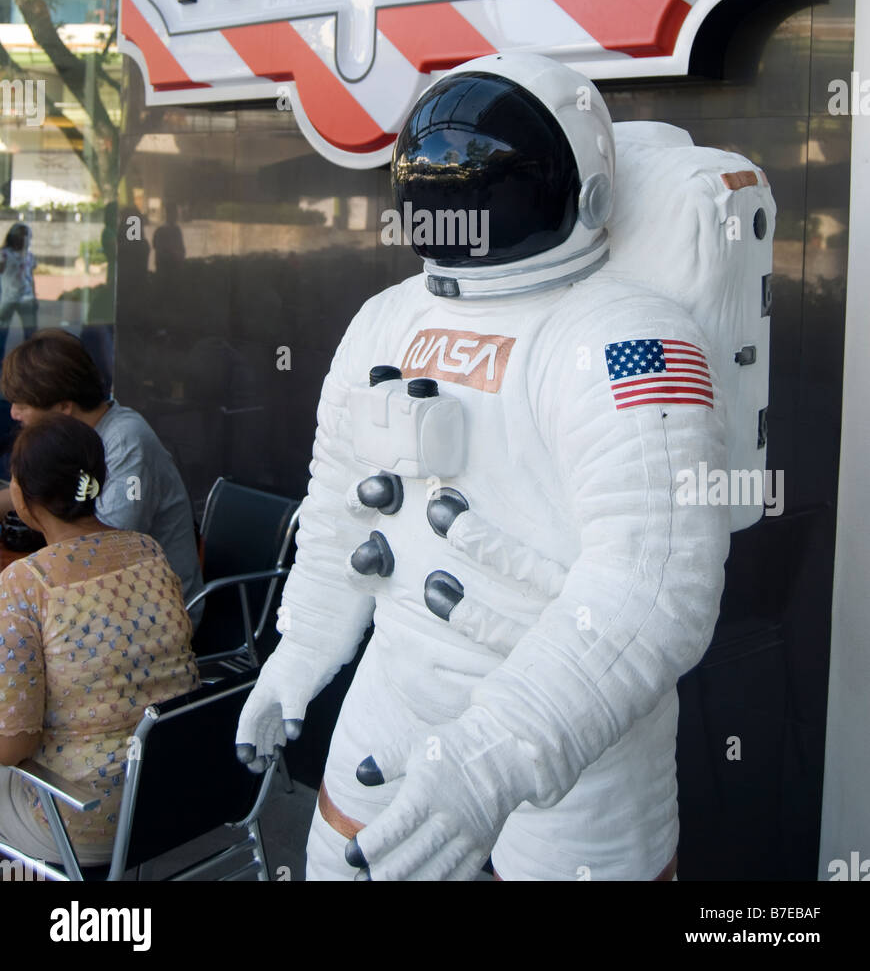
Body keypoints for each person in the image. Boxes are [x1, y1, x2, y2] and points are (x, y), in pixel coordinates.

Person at [236, 53, 734, 881]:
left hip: (575, 732)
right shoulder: (386, 320)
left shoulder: (633, 338)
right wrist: (300, 652)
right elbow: (338, 513)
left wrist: (492, 758)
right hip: (400, 685)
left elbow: (653, 588)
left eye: (478, 171)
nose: (453, 188)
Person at [0, 414, 199, 866]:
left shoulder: (25, 584)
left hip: (81, 820)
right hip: (171, 796)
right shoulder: (148, 551)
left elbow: (12, 747)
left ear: (24, 499)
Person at [0, 330, 204, 618]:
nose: (14, 414)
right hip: (100, 596)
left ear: (63, 408)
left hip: (155, 613)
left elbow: (107, 548)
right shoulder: (74, 434)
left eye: (23, 404)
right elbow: (37, 490)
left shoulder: (126, 441)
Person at [0, 223, 37, 361]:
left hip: (26, 298)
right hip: (8, 298)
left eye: (27, 235)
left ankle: (30, 361)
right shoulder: (4, 254)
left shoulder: (29, 256)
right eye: (22, 235)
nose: (25, 239)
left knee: (31, 334)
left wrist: (34, 296)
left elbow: (31, 277)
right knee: (2, 333)